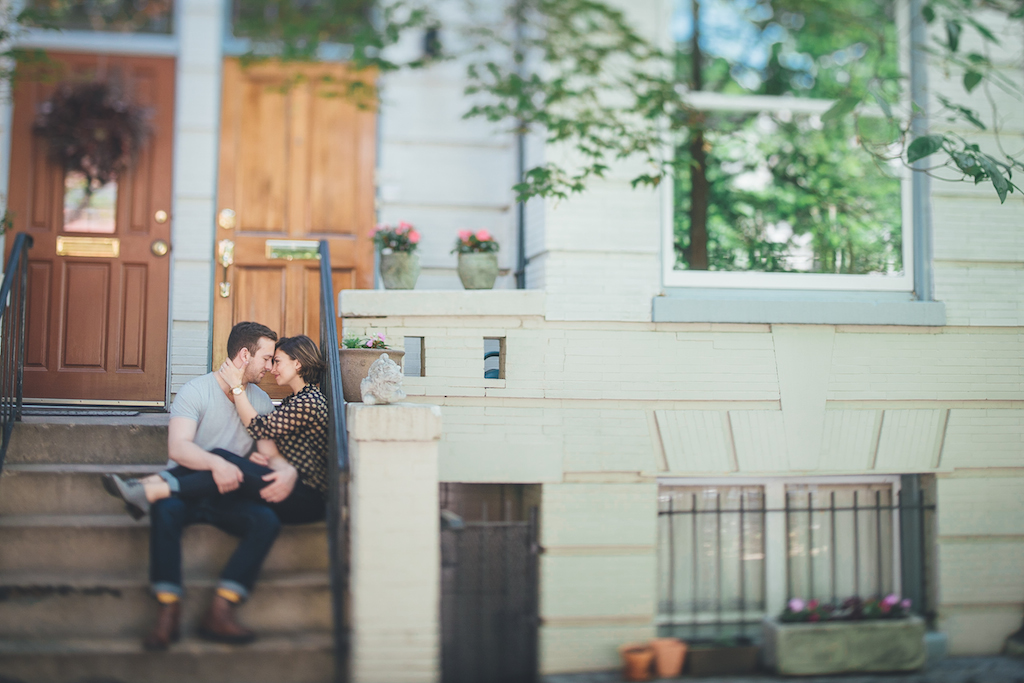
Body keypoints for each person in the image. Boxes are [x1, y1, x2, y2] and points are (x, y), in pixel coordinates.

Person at [103, 322, 279, 650]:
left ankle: (221, 608)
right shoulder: (196, 391)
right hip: (187, 490)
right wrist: (218, 463)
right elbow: (179, 449)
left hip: (226, 495)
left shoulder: (262, 402)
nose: (270, 367)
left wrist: (259, 462)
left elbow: (265, 455)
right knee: (166, 509)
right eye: (267, 358)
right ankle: (168, 610)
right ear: (245, 355)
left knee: (266, 521)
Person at [106, 335, 329, 526]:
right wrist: (270, 460)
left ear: (297, 364)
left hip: (306, 496)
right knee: (219, 458)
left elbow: (260, 428)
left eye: (277, 361)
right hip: (290, 484)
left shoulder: (309, 401)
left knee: (225, 464)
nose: (272, 369)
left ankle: (150, 490)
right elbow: (274, 439)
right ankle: (145, 486)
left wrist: (236, 387)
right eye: (270, 361)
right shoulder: (297, 399)